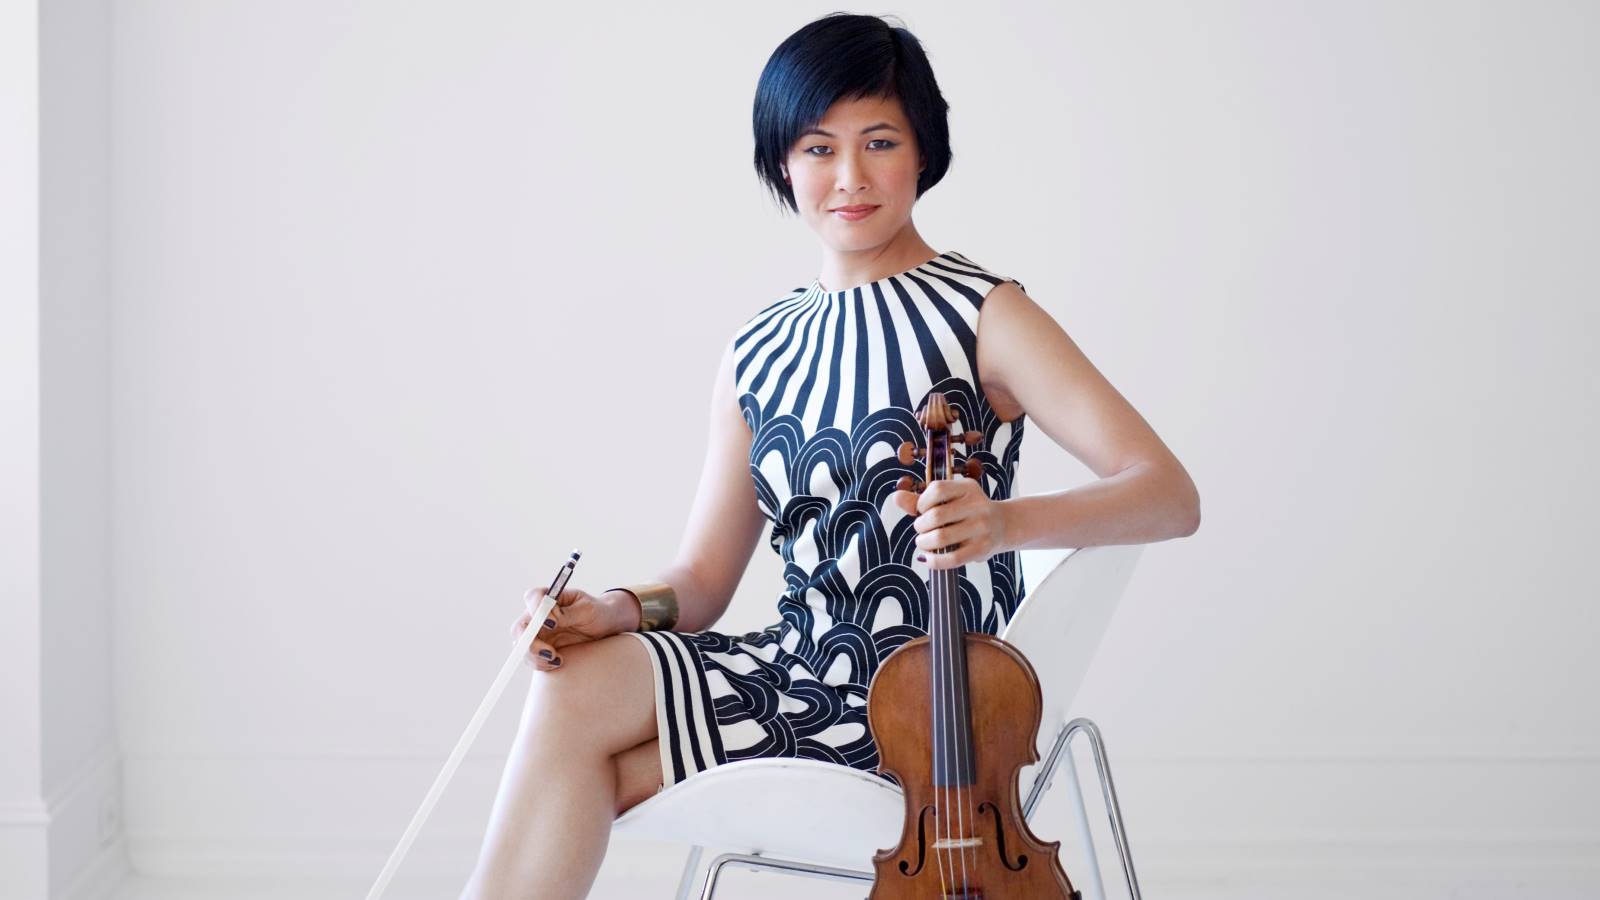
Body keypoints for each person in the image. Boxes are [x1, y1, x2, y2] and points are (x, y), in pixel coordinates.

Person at [460, 12, 1200, 899]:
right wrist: (614, 607)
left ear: (923, 151)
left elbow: (1168, 494)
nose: (849, 178)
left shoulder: (985, 313)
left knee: (586, 772)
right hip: (793, 671)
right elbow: (701, 585)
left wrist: (1004, 523)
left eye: (878, 142)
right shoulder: (758, 350)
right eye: (818, 148)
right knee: (574, 676)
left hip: (928, 709)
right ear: (783, 163)